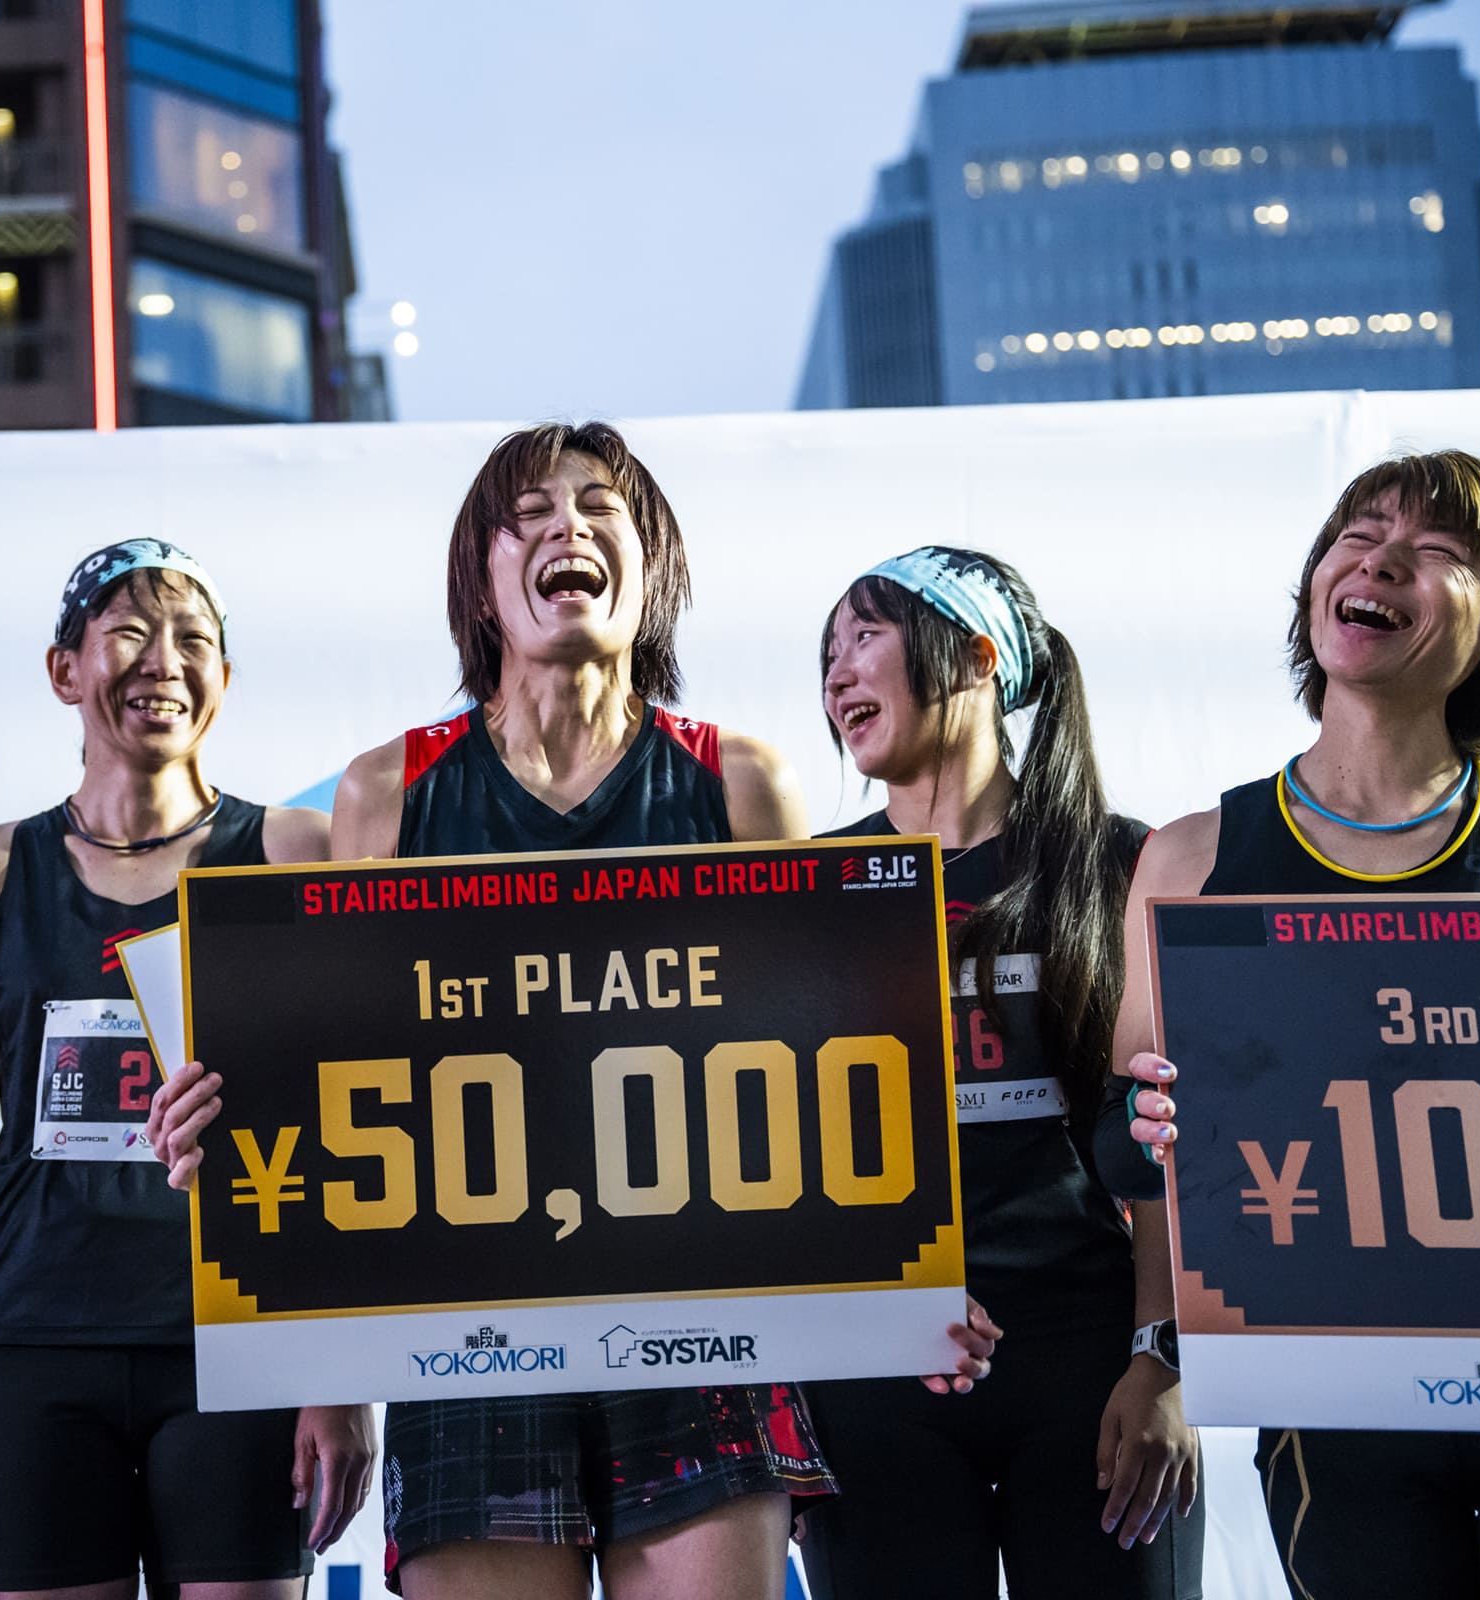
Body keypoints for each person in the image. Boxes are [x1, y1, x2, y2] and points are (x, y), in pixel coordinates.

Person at [150, 423, 999, 1600]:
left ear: (651, 568)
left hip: (705, 1322)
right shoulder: (389, 790)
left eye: (601, 507)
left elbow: (822, 1070)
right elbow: (337, 1084)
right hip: (464, 1338)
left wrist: (907, 1285)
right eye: (532, 513)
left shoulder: (738, 780)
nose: (570, 526)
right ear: (481, 581)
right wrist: (314, 1345)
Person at [1108, 452, 1480, 1588]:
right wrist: (1155, 1352)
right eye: (1360, 535)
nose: (1378, 561)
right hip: (1334, 1400)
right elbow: (1142, 1165)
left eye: (1437, 551)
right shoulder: (1188, 858)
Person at [0, 538, 373, 1599]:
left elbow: (350, 1127)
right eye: (130, 632)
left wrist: (340, 1376)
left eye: (193, 639)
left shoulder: (294, 849)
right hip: (30, 1338)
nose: (165, 660)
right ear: (64, 669)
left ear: (223, 678)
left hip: (235, 1337)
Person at [795, 549, 1201, 1600]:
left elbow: (1169, 1139)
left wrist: (1161, 1360)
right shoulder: (809, 882)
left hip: (1092, 1358)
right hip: (880, 1363)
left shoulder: (1123, 860)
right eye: (828, 651)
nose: (837, 671)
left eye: (866, 635)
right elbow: (778, 1155)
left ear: (977, 658)